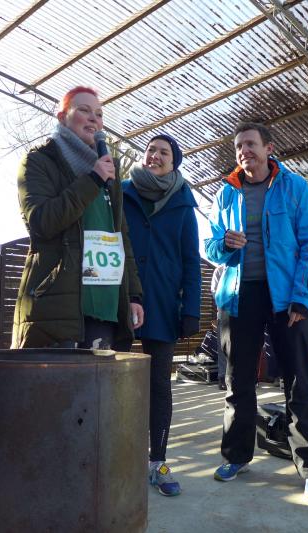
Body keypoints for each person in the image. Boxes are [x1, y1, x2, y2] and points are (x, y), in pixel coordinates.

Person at [205, 122, 308, 499]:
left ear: (268, 148)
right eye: (238, 146)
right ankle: (236, 456)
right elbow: (209, 247)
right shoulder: (226, 192)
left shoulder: (294, 187)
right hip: (238, 297)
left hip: (285, 298)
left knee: (298, 380)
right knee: (238, 380)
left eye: (250, 144)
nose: (244, 151)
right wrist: (224, 245)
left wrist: (302, 298)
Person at [11, 86, 144, 350]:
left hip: (105, 306)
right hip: (60, 308)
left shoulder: (109, 171)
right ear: (62, 117)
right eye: (84, 110)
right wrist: (92, 180)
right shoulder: (38, 161)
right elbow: (42, 223)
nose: (94, 118)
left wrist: (133, 295)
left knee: (101, 379)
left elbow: (121, 238)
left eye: (99, 114)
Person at [120, 133, 201, 497]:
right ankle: (117, 456)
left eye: (164, 152)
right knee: (114, 381)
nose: (155, 155)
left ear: (174, 162)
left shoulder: (183, 202)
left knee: (158, 386)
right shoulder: (121, 192)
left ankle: (158, 462)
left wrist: (191, 309)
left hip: (164, 303)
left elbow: (191, 260)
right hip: (119, 299)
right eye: (150, 149)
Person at [210, 264, 226, 390]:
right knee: (222, 347)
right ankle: (222, 377)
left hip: (242, 314)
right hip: (223, 313)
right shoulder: (218, 271)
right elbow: (214, 293)